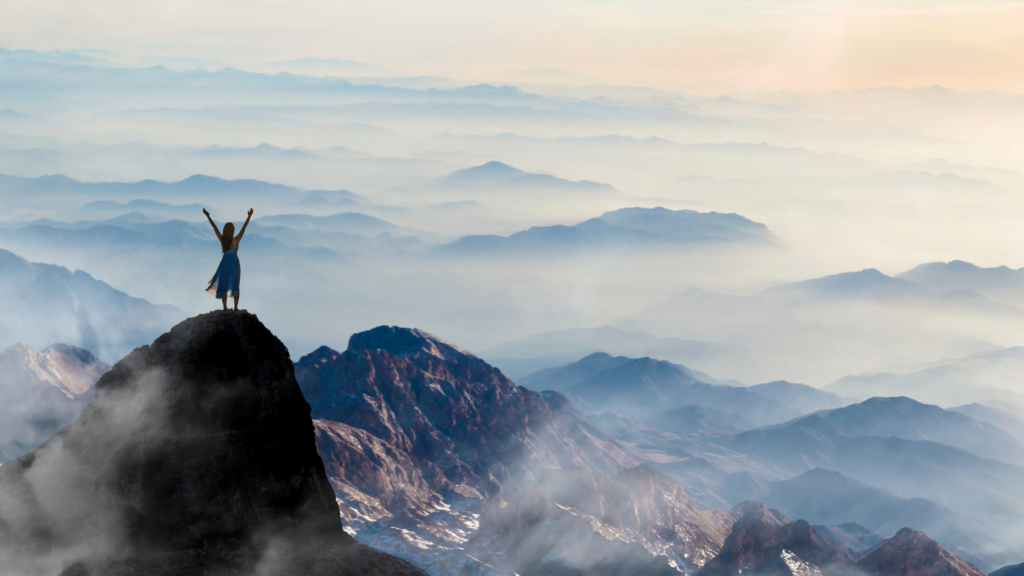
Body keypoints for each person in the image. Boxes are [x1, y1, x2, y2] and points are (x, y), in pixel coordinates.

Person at [204, 208, 253, 311]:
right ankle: (235, 307)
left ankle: (225, 307)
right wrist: (249, 216)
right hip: (235, 263)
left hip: (225, 263)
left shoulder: (222, 240)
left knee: (224, 284)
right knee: (235, 284)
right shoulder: (236, 240)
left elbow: (214, 228)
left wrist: (208, 216)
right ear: (232, 231)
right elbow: (244, 228)